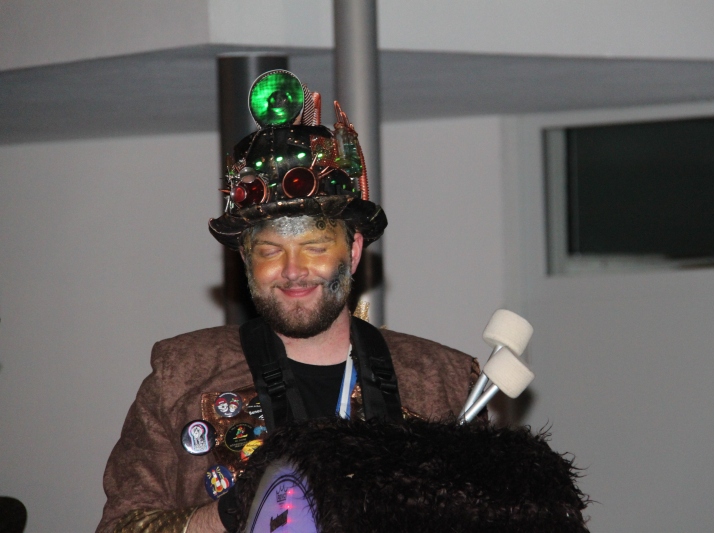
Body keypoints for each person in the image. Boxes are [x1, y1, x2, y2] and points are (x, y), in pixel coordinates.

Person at [96, 70, 479, 533]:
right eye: (270, 251)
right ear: (245, 259)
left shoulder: (445, 382)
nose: (293, 270)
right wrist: (234, 513)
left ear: (354, 252)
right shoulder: (181, 376)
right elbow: (121, 527)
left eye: (315, 247)